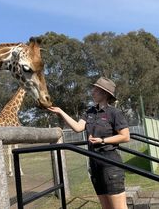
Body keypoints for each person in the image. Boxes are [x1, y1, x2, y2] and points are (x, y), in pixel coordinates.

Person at [48, 77, 130, 209]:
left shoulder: (114, 113)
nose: (92, 92)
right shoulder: (89, 112)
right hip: (95, 165)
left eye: (96, 90)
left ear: (104, 93)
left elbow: (125, 136)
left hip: (110, 165)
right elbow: (77, 127)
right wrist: (60, 112)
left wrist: (102, 140)